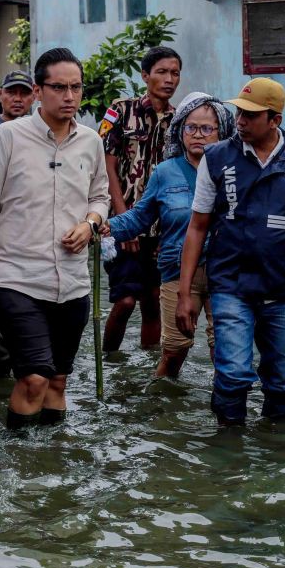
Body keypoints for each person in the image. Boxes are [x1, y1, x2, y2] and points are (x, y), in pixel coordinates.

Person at [0, 48, 109, 429]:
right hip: (19, 279)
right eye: (59, 87)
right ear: (37, 90)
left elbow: (101, 196)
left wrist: (91, 224)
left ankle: (52, 466)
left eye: (76, 87)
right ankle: (20, 464)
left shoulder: (90, 141)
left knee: (58, 381)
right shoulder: (8, 137)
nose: (69, 96)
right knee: (33, 379)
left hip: (74, 282)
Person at [177, 78, 285, 425]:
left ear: (274, 120)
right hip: (231, 285)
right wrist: (185, 293)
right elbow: (197, 226)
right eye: (239, 113)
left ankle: (276, 455)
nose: (240, 121)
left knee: (284, 381)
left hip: (284, 289)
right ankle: (229, 457)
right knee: (231, 375)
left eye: (251, 115)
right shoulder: (217, 158)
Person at [106, 92, 235, 378]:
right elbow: (140, 216)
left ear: (222, 132)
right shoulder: (165, 172)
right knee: (174, 352)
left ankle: (226, 411)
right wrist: (106, 227)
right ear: (179, 129)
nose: (197, 135)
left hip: (225, 271)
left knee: (225, 352)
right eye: (191, 127)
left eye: (206, 129)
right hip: (177, 271)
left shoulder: (232, 171)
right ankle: (161, 409)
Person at [101, 46, 182, 355]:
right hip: (122, 222)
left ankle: (150, 373)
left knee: (153, 300)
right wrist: (125, 223)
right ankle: (109, 364)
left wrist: (170, 232)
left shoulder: (179, 121)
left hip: (162, 228)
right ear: (145, 75)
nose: (169, 79)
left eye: (174, 73)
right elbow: (106, 165)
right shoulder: (121, 110)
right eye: (162, 72)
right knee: (124, 301)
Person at [0, 71, 35, 135]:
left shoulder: (40, 130)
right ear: (0, 94)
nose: (17, 99)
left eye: (24, 93)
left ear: (33, 97)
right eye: (11, 92)